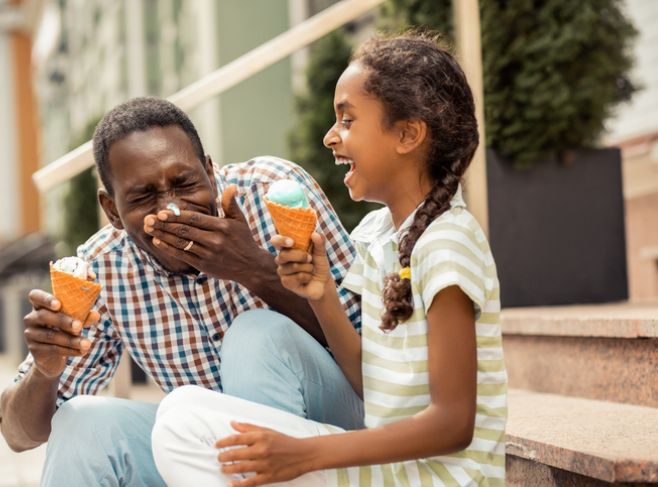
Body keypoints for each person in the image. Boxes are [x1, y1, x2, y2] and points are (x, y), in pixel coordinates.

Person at [151, 33, 508, 486]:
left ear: (407, 134)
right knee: (180, 409)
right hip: (389, 471)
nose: (329, 136)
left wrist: (305, 455)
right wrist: (321, 297)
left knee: (184, 430)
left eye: (347, 120)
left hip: (433, 479)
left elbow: (453, 424)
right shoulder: (378, 236)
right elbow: (371, 385)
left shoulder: (448, 244)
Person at [0, 97, 364, 486]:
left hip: (334, 435)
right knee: (82, 424)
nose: (170, 209)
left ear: (209, 170)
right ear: (113, 211)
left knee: (256, 335)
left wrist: (254, 270)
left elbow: (375, 351)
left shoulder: (271, 192)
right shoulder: (103, 268)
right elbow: (18, 435)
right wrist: (45, 369)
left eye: (184, 183)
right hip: (209, 455)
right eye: (143, 197)